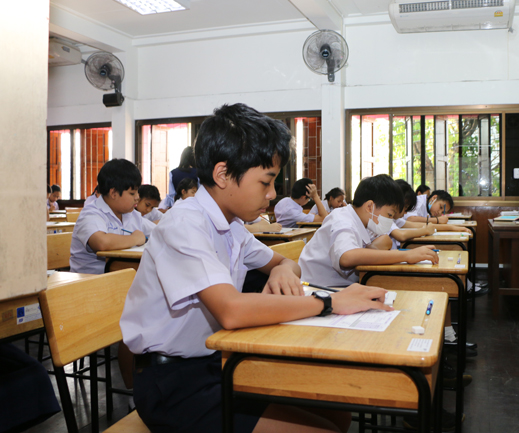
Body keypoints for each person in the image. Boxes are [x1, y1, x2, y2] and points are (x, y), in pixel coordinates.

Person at [120, 103, 391, 433]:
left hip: (218, 359)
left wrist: (279, 271)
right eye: (266, 182)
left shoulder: (231, 225)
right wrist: (330, 303)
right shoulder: (185, 224)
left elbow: (288, 263)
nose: (273, 194)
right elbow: (231, 311)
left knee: (338, 411)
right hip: (175, 384)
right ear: (222, 175)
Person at [298, 174, 439, 288]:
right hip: (316, 289)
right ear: (370, 206)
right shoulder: (342, 219)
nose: (389, 221)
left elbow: (385, 241)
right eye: (390, 215)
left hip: (341, 286)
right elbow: (347, 257)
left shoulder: (365, 222)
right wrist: (406, 255)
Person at [69, 159, 156, 275]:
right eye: (132, 193)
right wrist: (136, 239)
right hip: (89, 283)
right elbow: (101, 242)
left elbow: (157, 232)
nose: (137, 197)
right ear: (113, 193)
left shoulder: (131, 214)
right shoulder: (91, 213)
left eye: (137, 192)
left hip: (119, 277)